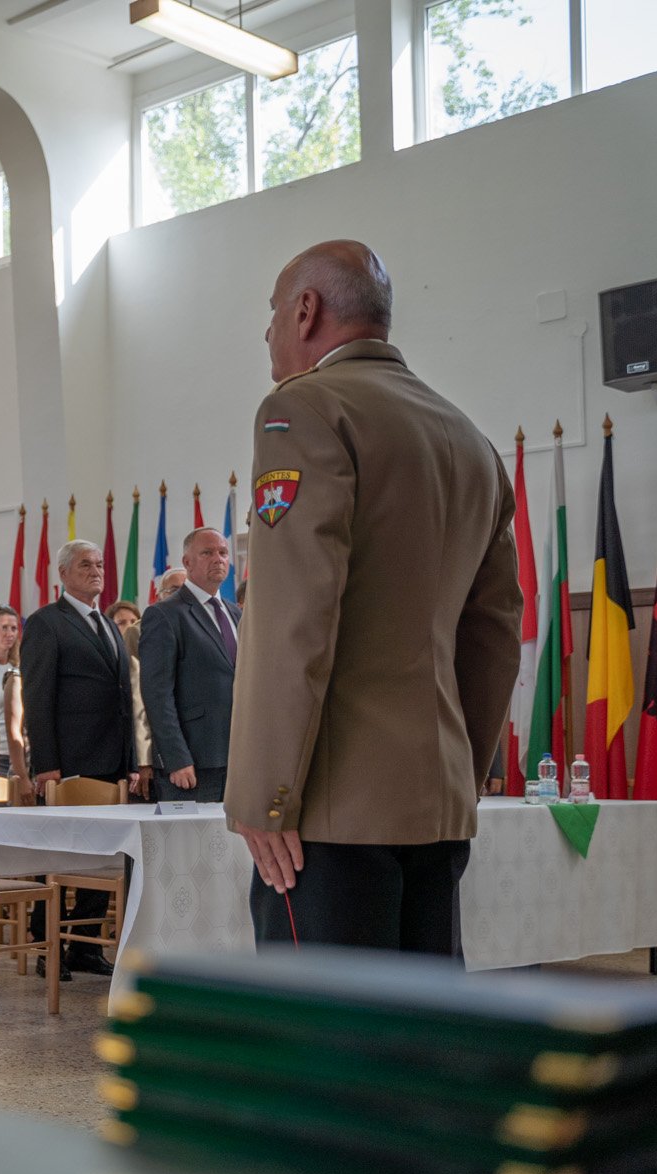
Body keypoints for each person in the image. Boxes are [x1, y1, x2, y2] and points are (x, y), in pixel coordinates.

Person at [229, 239, 520, 951]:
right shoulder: (470, 440)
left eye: (273, 311)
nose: (267, 330)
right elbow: (494, 634)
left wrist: (266, 794)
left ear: (306, 310)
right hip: (436, 807)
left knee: (323, 1023)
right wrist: (458, 778)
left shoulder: (304, 410)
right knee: (420, 1018)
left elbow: (294, 618)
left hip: (331, 815)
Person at [21, 539, 137, 976]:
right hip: (68, 760)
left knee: (102, 855)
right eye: (85, 564)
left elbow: (123, 696)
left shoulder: (107, 624)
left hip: (110, 759)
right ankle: (45, 946)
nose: (95, 571)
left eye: (100, 564)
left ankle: (84, 946)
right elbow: (37, 696)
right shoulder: (46, 622)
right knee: (58, 855)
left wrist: (130, 760)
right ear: (64, 574)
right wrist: (46, 763)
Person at [138, 527, 241, 803]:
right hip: (193, 763)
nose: (218, 558)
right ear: (187, 562)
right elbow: (157, 694)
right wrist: (176, 758)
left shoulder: (236, 613)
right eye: (207, 553)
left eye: (223, 552)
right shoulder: (165, 614)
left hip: (239, 758)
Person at [108, 599, 155, 794]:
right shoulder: (108, 656)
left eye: (133, 621)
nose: (129, 627)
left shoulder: (147, 645)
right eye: (121, 622)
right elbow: (136, 703)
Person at [0, 605, 29, 798]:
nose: (9, 633)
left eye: (14, 628)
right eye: (4, 627)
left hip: (20, 757)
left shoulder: (19, 669)